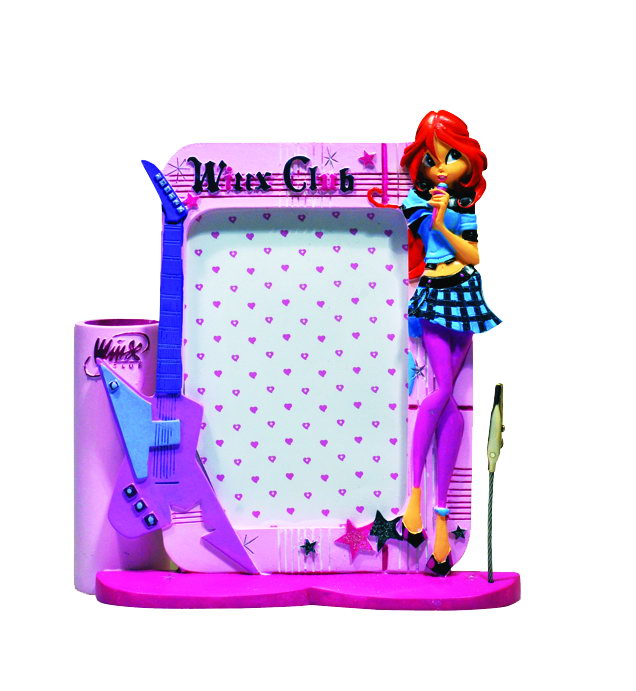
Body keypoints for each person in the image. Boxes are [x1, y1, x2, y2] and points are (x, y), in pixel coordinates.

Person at [400, 111, 501, 575]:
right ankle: (417, 500)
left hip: (465, 290)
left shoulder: (464, 205)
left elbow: (473, 253)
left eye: (452, 156)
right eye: (432, 158)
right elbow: (424, 237)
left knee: (449, 400)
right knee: (442, 390)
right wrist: (436, 219)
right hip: (436, 290)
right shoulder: (416, 200)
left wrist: (446, 224)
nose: (441, 166)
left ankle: (434, 517)